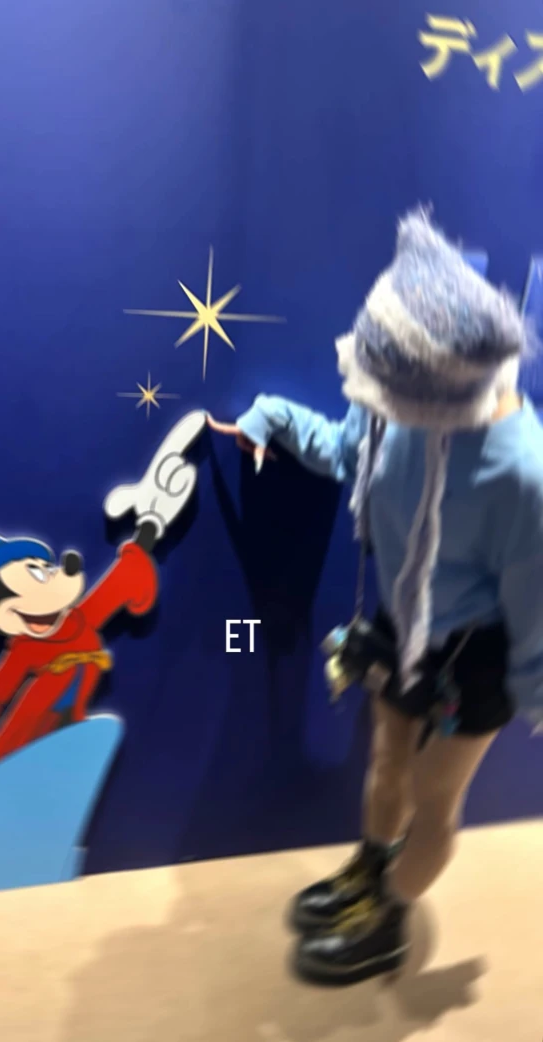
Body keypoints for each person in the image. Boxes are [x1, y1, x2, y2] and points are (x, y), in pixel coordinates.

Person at [207, 209, 543, 986]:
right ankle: (370, 870)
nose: (374, 400)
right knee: (386, 763)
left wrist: (532, 693)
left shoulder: (523, 474)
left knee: (433, 797)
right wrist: (273, 418)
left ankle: (390, 915)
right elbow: (347, 449)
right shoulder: (397, 405)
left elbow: (536, 609)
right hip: (400, 620)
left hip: (477, 658)